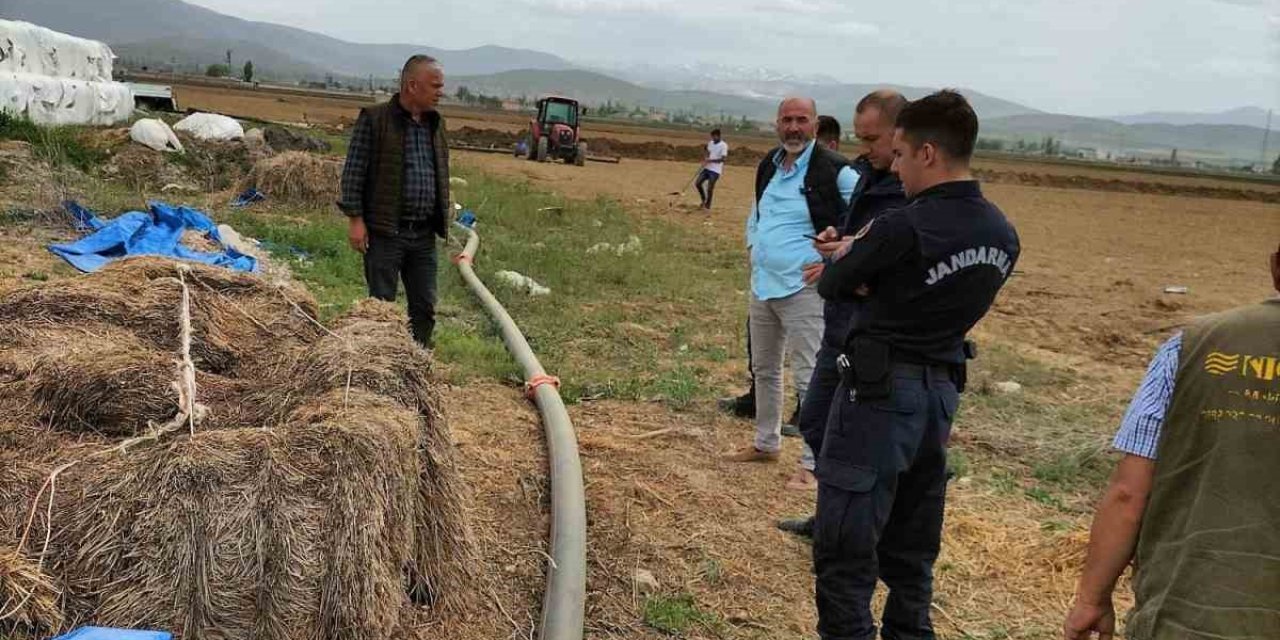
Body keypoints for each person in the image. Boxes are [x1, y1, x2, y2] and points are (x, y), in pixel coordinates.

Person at [811, 90, 1020, 640]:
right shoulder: (1002, 234)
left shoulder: (904, 226)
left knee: (846, 547)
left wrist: (863, 271)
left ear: (928, 153)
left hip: (878, 397)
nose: (895, 167)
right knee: (911, 546)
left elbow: (833, 284)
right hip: (940, 396)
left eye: (900, 154)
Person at [1063, 245, 1280, 640]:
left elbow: (1129, 492)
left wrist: (1091, 599)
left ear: (1276, 266)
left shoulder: (1190, 347)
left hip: (1189, 613)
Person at [778, 89, 908, 520]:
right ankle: (831, 515)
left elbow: (882, 261)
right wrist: (837, 242)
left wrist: (845, 261)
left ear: (900, 134)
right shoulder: (871, 175)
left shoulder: (906, 193)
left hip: (868, 335)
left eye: (871, 139)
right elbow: (860, 239)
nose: (864, 149)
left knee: (851, 438)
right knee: (816, 421)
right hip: (841, 326)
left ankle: (841, 521)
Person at [725, 96, 859, 495]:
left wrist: (834, 264)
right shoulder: (769, 164)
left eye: (802, 120)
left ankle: (813, 463)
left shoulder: (838, 171)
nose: (794, 127)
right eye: (787, 120)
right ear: (776, 124)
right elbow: (758, 213)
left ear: (816, 125)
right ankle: (766, 444)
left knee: (811, 378)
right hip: (764, 284)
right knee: (764, 369)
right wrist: (753, 246)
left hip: (806, 290)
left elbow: (870, 223)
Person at [339, 55, 451, 348]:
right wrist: (356, 220)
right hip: (386, 232)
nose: (441, 91)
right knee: (382, 309)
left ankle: (418, 365)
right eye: (435, 85)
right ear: (413, 85)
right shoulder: (375, 120)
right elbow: (353, 172)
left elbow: (439, 171)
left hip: (423, 235)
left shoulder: (436, 125)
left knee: (424, 308)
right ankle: (379, 364)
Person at [696, 128, 729, 210]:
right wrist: (705, 158)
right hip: (707, 168)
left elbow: (723, 159)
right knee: (698, 183)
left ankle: (708, 205)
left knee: (710, 187)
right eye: (712, 136)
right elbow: (707, 150)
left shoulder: (724, 145)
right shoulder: (710, 143)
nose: (712, 138)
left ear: (718, 136)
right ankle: (704, 199)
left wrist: (710, 160)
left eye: (714, 137)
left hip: (715, 171)